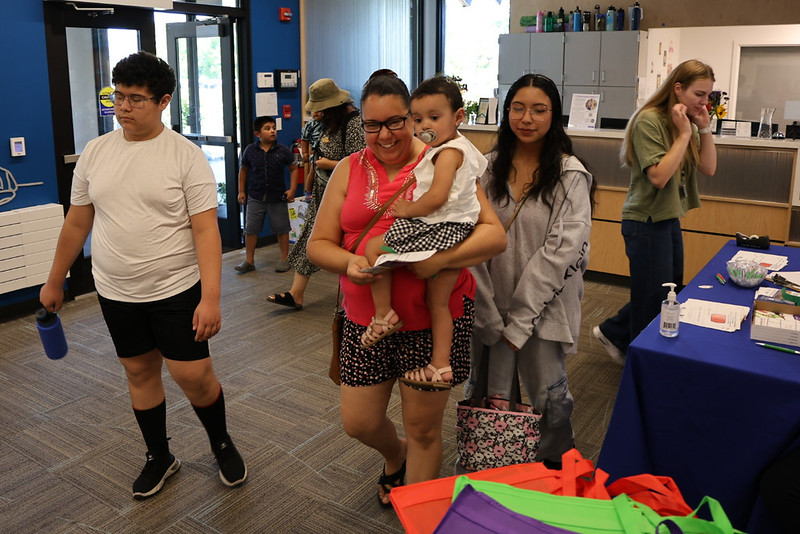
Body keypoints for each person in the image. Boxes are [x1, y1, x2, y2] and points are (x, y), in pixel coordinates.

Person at [39, 51, 246, 499]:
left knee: (194, 376)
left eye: (136, 98)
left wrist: (211, 297)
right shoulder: (96, 152)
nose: (123, 107)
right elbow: (77, 222)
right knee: (139, 372)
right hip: (115, 290)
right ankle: (160, 455)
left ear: (164, 101)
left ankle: (221, 442)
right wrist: (55, 279)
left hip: (175, 289)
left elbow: (206, 230)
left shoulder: (186, 157)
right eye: (118, 96)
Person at [306, 71, 506, 506]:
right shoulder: (348, 168)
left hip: (431, 324)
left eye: (395, 121)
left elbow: (495, 236)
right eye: (372, 124)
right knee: (358, 422)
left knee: (423, 429)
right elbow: (318, 244)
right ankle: (393, 456)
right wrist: (352, 263)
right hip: (368, 320)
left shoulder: (442, 159)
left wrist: (441, 260)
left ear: (412, 118)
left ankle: (417, 511)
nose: (384, 134)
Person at [467, 73, 596, 468]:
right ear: (506, 112)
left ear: (553, 115)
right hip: (489, 306)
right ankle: (494, 477)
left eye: (539, 110)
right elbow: (467, 239)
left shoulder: (570, 174)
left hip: (543, 311)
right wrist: (487, 312)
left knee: (549, 400)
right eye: (518, 108)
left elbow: (561, 253)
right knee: (490, 397)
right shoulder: (485, 170)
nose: (527, 118)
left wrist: (520, 320)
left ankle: (555, 476)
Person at [361, 76, 487, 392]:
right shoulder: (457, 148)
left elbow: (438, 195)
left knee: (375, 247)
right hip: (455, 227)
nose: (424, 126)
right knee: (438, 303)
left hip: (437, 225)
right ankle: (440, 366)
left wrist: (407, 210)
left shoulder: (447, 153)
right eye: (418, 119)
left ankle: (383, 315)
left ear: (458, 117)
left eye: (434, 117)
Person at [593, 59, 717, 364]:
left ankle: (613, 331)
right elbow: (660, 177)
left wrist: (703, 128)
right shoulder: (650, 120)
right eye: (699, 94)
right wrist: (685, 135)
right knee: (654, 298)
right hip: (645, 221)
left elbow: (709, 167)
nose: (705, 102)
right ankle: (639, 364)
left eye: (708, 96)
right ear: (678, 89)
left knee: (664, 293)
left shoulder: (685, 120)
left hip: (668, 218)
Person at [267, 78, 365, 309]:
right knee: (310, 239)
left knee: (349, 244)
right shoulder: (331, 124)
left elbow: (360, 163)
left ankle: (356, 298)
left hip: (345, 196)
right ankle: (296, 293)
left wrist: (329, 164)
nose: (317, 114)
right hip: (324, 192)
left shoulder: (353, 124)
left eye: (321, 110)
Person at [235, 115, 298, 273]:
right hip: (255, 196)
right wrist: (241, 191)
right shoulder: (250, 150)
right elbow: (243, 171)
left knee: (281, 228)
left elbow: (294, 168)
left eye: (274, 128)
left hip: (277, 196)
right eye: (267, 129)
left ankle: (284, 258)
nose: (272, 131)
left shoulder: (283, 150)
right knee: (251, 228)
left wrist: (292, 189)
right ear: (258, 134)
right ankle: (249, 261)